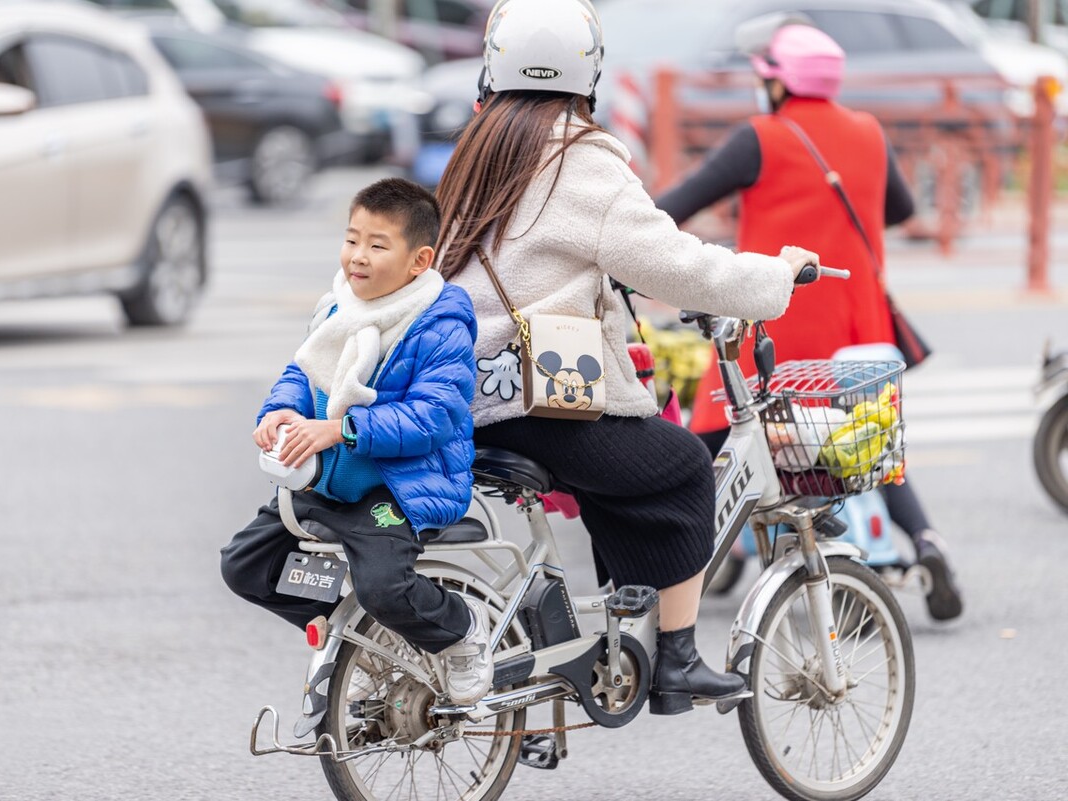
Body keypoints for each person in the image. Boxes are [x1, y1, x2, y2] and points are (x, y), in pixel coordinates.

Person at [435, 0, 820, 715]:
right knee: (682, 466)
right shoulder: (579, 160)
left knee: (621, 470)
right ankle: (677, 661)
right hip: (541, 399)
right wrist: (774, 276)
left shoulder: (480, 149)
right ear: (588, 74)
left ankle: (616, 634)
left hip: (466, 393)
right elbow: (678, 264)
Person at [655, 20, 963, 622]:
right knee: (864, 442)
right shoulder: (868, 131)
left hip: (777, 326)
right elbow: (901, 207)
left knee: (710, 439)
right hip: (857, 324)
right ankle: (926, 540)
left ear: (776, 82)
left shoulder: (761, 137)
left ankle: (666, 563)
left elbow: (673, 208)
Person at [220, 178, 495, 705]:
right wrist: (280, 410)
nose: (358, 256)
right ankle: (365, 640)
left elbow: (435, 416)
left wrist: (342, 429)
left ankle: (461, 628)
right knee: (245, 567)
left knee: (384, 587)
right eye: (351, 239)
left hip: (396, 485)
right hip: (329, 476)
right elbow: (303, 372)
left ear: (419, 261)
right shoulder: (337, 307)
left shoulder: (440, 322)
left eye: (377, 244)